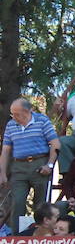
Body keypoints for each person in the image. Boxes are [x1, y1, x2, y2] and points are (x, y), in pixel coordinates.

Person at [0, 98, 60, 233]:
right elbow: (5, 150)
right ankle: (17, 239)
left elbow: (55, 144)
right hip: (19, 166)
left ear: (26, 111)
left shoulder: (42, 121)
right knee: (18, 201)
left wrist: (49, 165)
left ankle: (39, 236)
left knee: (41, 205)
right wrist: (2, 173)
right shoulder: (11, 125)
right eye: (12, 114)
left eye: (16, 114)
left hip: (40, 163)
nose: (13, 117)